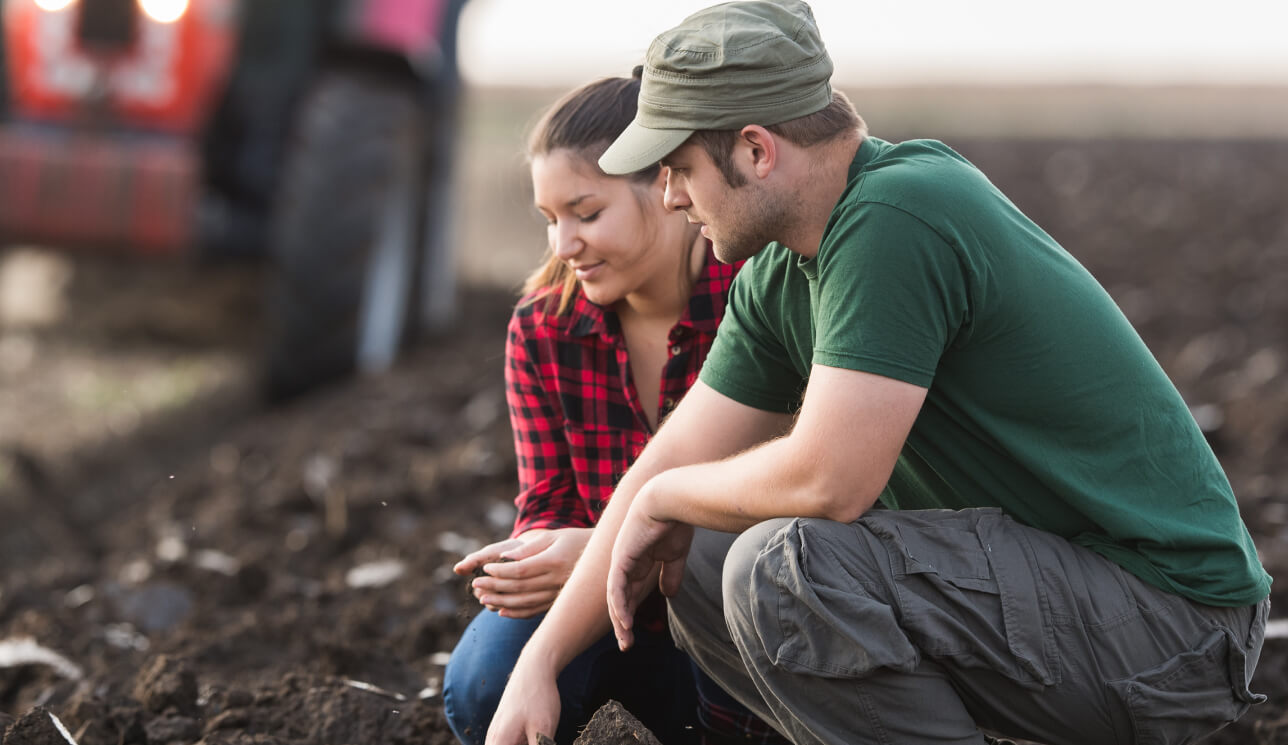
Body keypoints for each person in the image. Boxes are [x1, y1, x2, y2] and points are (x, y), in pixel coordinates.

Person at [485, 3, 1273, 745]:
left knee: (780, 567)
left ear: (757, 150)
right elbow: (665, 463)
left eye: (679, 167)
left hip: (1170, 625)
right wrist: (538, 664)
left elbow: (832, 480)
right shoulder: (780, 274)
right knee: (694, 568)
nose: (670, 196)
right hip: (1054, 600)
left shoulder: (897, 214)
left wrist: (666, 497)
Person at [441, 73, 785, 745]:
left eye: (587, 213)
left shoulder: (757, 294)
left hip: (746, 619)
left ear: (666, 184)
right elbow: (547, 500)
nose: (563, 246)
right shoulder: (543, 327)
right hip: (608, 617)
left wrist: (605, 548)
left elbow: (785, 504)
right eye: (550, 221)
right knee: (483, 680)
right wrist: (539, 553)